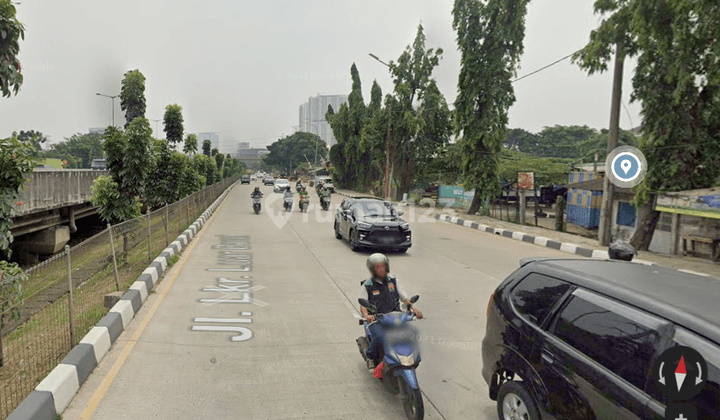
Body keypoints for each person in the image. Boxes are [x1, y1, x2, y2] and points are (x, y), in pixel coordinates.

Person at [359, 253, 423, 369]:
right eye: (377, 267)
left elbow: (405, 298)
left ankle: (411, 358)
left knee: (413, 333)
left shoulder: (393, 281)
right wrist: (367, 315)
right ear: (373, 269)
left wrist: (414, 308)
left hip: (396, 317)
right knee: (381, 336)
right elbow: (362, 304)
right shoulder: (367, 285)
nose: (381, 269)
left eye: (383, 266)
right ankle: (370, 357)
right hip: (377, 320)